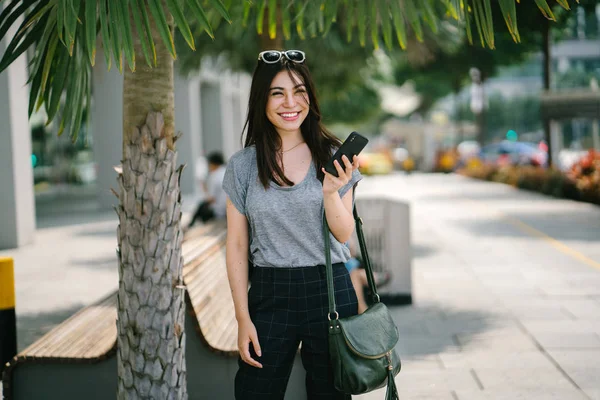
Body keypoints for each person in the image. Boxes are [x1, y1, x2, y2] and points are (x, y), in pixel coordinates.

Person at [222, 49, 362, 400]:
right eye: (277, 93)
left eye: (299, 91)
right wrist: (242, 318)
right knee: (255, 392)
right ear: (261, 100)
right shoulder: (243, 166)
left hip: (328, 288)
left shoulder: (333, 155)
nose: (291, 103)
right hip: (270, 292)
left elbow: (344, 234)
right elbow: (237, 245)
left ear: (310, 99)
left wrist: (331, 191)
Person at [187, 151, 227, 228]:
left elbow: (211, 198)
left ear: (213, 164)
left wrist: (203, 186)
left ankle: (191, 226)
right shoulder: (226, 171)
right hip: (229, 209)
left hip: (220, 211)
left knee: (201, 206)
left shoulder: (215, 175)